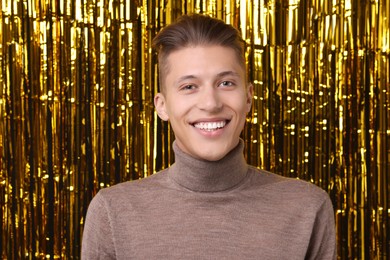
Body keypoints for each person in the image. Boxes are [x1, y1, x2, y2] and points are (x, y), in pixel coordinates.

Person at [81, 14, 336, 259]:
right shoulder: (113, 212)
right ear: (162, 106)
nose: (210, 103)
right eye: (189, 87)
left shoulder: (306, 208)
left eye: (225, 83)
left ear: (248, 98)